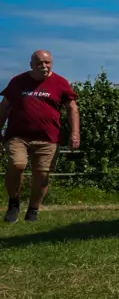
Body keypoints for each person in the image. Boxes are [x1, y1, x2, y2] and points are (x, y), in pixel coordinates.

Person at [1, 50, 79, 223]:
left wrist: (75, 133)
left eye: (47, 62)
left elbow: (72, 108)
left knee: (42, 175)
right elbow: (4, 107)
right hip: (18, 135)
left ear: (51, 63)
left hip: (48, 137)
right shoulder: (17, 82)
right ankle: (13, 203)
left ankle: (33, 210)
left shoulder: (60, 82)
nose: (44, 66)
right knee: (17, 164)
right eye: (39, 63)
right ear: (31, 65)